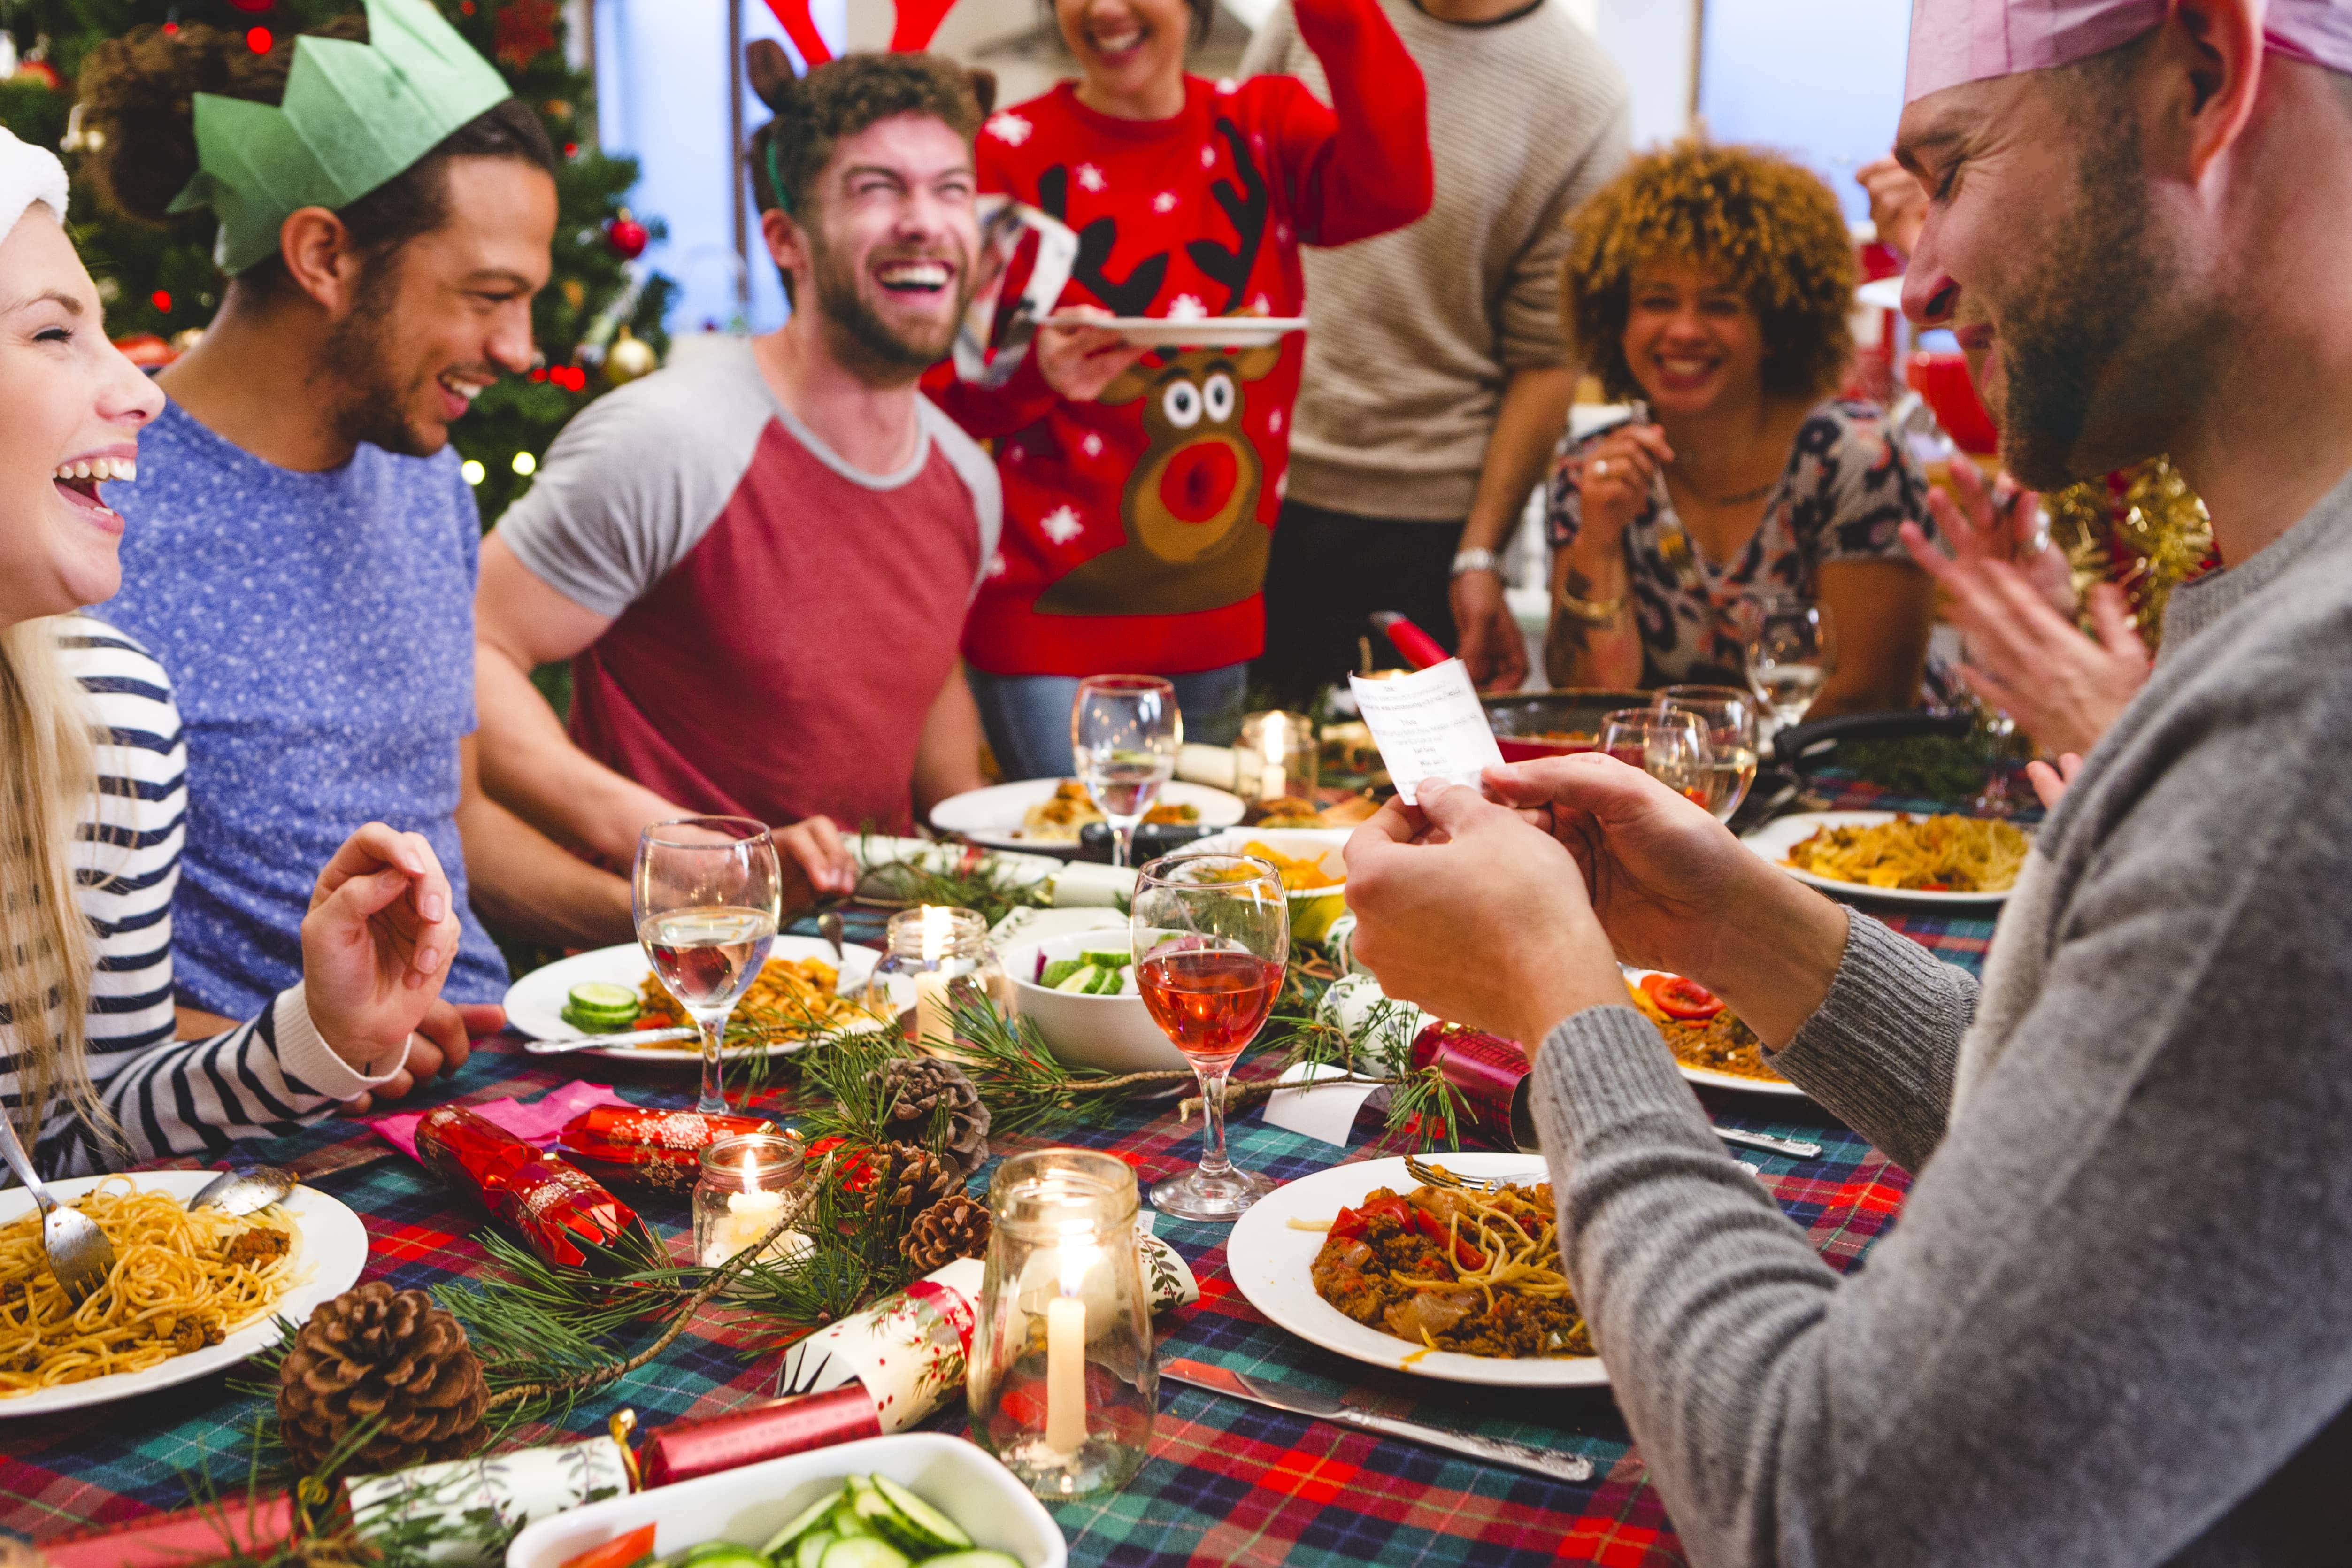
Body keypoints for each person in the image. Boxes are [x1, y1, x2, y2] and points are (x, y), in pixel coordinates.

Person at [1344, 0, 2352, 1558]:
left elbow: (1839, 1513)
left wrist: (1560, 990)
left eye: (1951, 167)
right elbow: (2099, 1146)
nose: (1924, 268)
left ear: (2206, 79)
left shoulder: (2306, 728)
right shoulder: (2287, 619)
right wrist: (1734, 920)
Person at [73, 1, 605, 1022]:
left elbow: (459, 824)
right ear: (323, 255)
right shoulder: (95, 506)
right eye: (489, 294)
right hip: (264, 1150)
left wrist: (679, 913)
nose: (520, 348)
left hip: (492, 1078)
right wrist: (312, 1056)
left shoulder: (427, 482)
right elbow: (60, 993)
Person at [0, 128, 478, 1177]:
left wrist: (320, 1035)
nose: (140, 392)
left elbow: (81, 1140)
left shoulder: (108, 716)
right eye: (50, 334)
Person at [472, 49, 999, 918]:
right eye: (876, 190)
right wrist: (688, 852)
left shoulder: (967, 480)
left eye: (951, 189)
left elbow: (925, 673)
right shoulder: (671, 438)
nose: (924, 221)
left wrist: (979, 853)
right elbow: (472, 655)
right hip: (671, 982)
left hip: (886, 978)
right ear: (785, 239)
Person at [932, 0, 1431, 778]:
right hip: (1046, 625)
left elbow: (1395, 188)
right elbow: (940, 389)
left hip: (1215, 619)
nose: (1104, 9)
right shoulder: (1004, 157)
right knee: (1080, 878)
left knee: (1188, 888)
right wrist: (1038, 376)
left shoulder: (1260, 126)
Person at [1241, 0, 1629, 699]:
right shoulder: (1316, 19)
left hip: (1428, 521)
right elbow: (1230, 209)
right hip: (1254, 490)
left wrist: (1478, 553)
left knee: (1408, 793)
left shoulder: (1583, 92)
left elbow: (1546, 358)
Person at [1544, 141, 1938, 716]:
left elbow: (1871, 697)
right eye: (1657, 301)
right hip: (1680, 793)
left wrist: (1709, 754)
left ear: (1776, 322)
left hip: (1858, 790)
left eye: (1720, 306)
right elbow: (1591, 703)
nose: (1684, 331)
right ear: (1616, 320)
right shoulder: (1592, 470)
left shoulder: (1855, 457)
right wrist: (1597, 541)